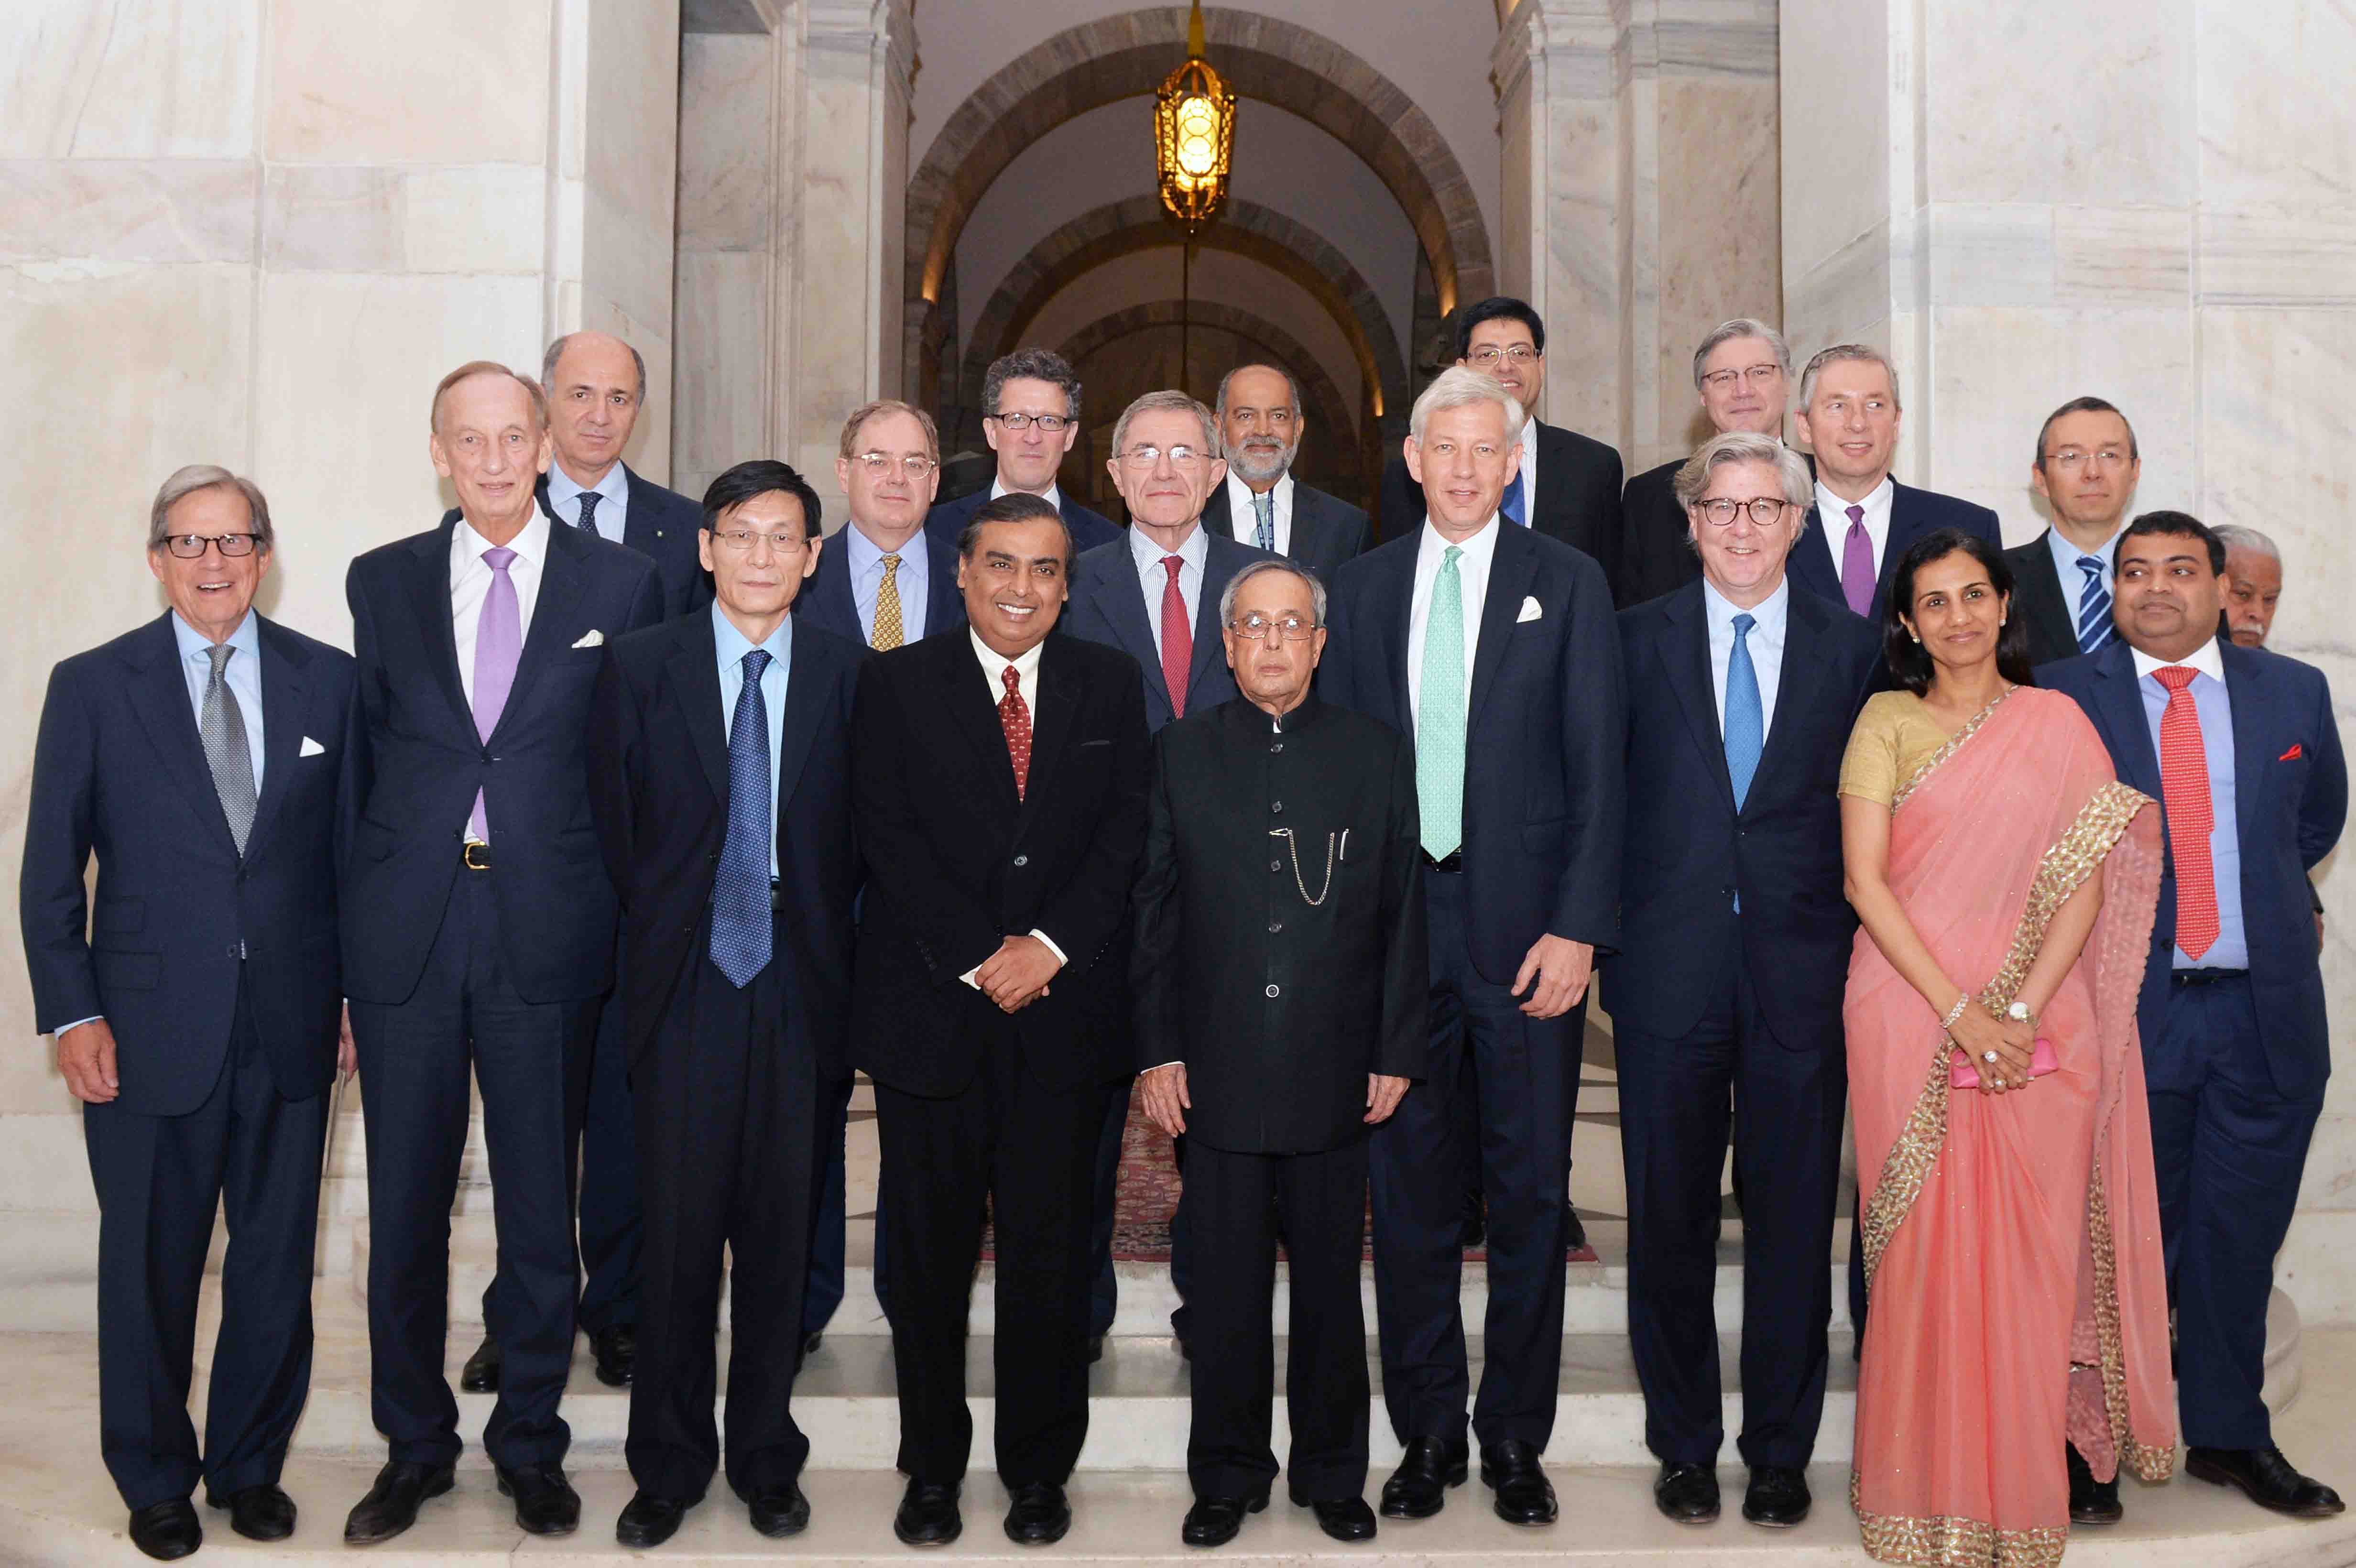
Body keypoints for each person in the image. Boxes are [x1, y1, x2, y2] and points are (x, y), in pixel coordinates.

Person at [340, 362, 664, 1544]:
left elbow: (632, 774)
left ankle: (530, 1443)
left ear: (542, 444)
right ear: (437, 449)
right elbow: (362, 775)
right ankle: (413, 1447)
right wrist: (342, 959)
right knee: (406, 1210)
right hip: (408, 939)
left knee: (540, 1212)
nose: (490, 459)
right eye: (466, 439)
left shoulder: (620, 583)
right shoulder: (379, 582)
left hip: (550, 930)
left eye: (510, 436)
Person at [20, 467, 356, 1562]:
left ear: (265, 551)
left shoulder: (330, 682)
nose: (214, 562)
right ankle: (156, 1473)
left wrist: (351, 992)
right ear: (157, 555)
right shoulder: (92, 684)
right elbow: (47, 872)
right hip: (146, 1024)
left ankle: (249, 1465)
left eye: (235, 540)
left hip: (294, 1019)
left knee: (272, 1260)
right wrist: (72, 1013)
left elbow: (352, 857)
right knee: (150, 1263)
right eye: (190, 542)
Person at [1837, 527, 2177, 1562]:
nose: (1958, 617)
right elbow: (1867, 882)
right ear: (1906, 623)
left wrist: (2020, 1012)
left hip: (2040, 1022)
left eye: (1973, 594)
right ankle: (1918, 1489)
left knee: (2032, 1256)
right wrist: (1960, 1011)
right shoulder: (1885, 720)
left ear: (2003, 604)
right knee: (1921, 1261)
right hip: (1906, 1008)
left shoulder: (2055, 721)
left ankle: (2024, 1483)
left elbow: (2083, 875)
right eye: (1933, 602)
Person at [1324, 367, 1625, 1527]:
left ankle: (1514, 1436)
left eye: (1483, 450)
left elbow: (1602, 769)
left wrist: (1580, 927)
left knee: (1532, 1190)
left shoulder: (1572, 581)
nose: (1461, 467)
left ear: (1511, 463)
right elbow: (1344, 776)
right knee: (1405, 1196)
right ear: (1413, 460)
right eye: (1441, 448)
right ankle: (1428, 1430)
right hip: (1398, 938)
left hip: (1528, 938)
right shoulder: (1359, 588)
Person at [851, 493, 1149, 1548]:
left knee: (1050, 1257)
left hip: (1065, 1022)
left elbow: (1125, 835)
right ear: (964, 572)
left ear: (1068, 585)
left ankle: (1036, 1470)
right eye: (1002, 565)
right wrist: (985, 953)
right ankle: (930, 1467)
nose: (1022, 587)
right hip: (934, 1014)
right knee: (927, 1262)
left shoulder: (1108, 682)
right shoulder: (892, 682)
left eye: (1045, 569)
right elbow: (883, 833)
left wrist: (1050, 947)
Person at [2040, 512, 2348, 1522]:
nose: (2156, 588)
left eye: (2180, 569)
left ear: (2224, 586)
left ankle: (2227, 1431)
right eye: (2133, 572)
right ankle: (2090, 1440)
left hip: (2263, 1017)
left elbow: (2313, 821)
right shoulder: (2059, 696)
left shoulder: (2293, 692)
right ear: (2110, 590)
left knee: (2236, 1237)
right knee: (2117, 1239)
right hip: (2132, 1017)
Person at [586, 460, 863, 1548]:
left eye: (783, 537)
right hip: (686, 978)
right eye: (740, 534)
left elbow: (860, 841)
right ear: (705, 548)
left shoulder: (849, 675)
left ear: (811, 557)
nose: (760, 554)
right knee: (677, 1235)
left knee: (782, 1233)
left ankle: (764, 1455)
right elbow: (618, 823)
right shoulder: (640, 667)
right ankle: (666, 1461)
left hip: (801, 981)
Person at [1610, 432, 1879, 1530]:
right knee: (1667, 1224)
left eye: (1766, 509)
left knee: (1791, 1226)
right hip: (1667, 975)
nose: (1742, 527)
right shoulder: (1633, 640)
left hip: (1803, 977)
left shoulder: (1854, 647)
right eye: (1721, 508)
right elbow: (1600, 803)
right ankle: (1683, 1444)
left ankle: (1778, 1449)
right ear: (1689, 521)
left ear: (1799, 525)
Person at [1134, 558, 1427, 1548]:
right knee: (1220, 1288)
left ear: (1319, 641)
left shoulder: (1375, 751)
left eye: (1290, 624)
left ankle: (1332, 1469)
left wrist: (1393, 1047)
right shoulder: (1178, 751)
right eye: (1252, 625)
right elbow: (1154, 913)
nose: (1270, 641)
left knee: (1332, 1287)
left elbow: (1400, 912)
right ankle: (1225, 1470)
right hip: (1211, 1064)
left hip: (1333, 1059)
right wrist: (1158, 1049)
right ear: (1226, 642)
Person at [454, 330, 710, 1400]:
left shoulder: (683, 532)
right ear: (545, 403)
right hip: (507, 883)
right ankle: (523, 1310)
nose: (599, 415)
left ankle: (616, 1308)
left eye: (620, 397)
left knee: (618, 1110)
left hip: (625, 880)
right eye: (579, 394)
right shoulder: (490, 517)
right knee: (525, 1125)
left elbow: (686, 707)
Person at [1062, 390, 1277, 1355]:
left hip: (1235, 894)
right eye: (1141, 450)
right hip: (1101, 885)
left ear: (1218, 469)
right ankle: (1081, 1308)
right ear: (1109, 474)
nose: (1163, 469)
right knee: (1092, 1115)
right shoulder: (1072, 578)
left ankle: (1213, 1304)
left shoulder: (1268, 582)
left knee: (1223, 1124)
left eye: (1184, 451)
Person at [795, 398, 966, 1350]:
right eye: (877, 459)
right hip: (817, 883)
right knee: (811, 1102)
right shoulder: (797, 570)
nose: (896, 478)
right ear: (845, 469)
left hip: (930, 893)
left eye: (915, 462)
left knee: (917, 1108)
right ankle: (809, 1293)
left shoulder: (972, 576)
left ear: (937, 481)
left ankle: (914, 1293)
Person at [1377, 297, 1624, 588]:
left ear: (1540, 365)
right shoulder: (1410, 474)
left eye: (1520, 353)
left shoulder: (1594, 466)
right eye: (1487, 355)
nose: (1506, 366)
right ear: (1462, 367)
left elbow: (1607, 589)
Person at [1787, 345, 2001, 621]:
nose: (1858, 423)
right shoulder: (1770, 529)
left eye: (1875, 405)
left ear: (1897, 423)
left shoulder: (1968, 526)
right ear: (1804, 425)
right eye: (1838, 406)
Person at [1617, 319, 1795, 607]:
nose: (1743, 390)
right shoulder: (1649, 498)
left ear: (1787, 383)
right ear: (1703, 395)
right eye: (1724, 378)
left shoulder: (1822, 487)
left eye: (1760, 373)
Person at [925, 347, 1121, 552]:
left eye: (1050, 420)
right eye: (1017, 419)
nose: (1033, 438)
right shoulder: (933, 534)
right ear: (991, 432)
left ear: (1070, 436)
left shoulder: (1108, 544)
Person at [2001, 396, 2143, 666]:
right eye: (2071, 457)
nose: (2092, 472)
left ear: (2135, 473)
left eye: (2109, 455)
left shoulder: (2178, 580)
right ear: (2040, 478)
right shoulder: (1998, 579)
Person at [1199, 362, 1370, 580]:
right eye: (1246, 416)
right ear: (1220, 428)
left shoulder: (1346, 526)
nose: (1263, 430)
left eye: (1278, 416)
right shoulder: (1192, 517)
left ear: (1298, 428)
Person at [2215, 523, 2283, 649]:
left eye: (2269, 600)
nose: (2259, 614)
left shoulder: (2286, 669)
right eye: (2243, 594)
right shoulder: (2171, 667)